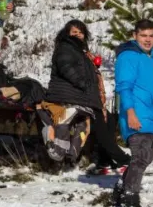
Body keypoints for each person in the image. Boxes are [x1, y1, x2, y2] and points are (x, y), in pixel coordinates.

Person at [45, 20, 130, 175]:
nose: (78, 35)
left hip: (82, 96)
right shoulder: (66, 47)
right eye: (74, 32)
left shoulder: (82, 52)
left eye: (80, 32)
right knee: (100, 123)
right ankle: (122, 159)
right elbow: (66, 67)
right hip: (70, 95)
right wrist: (83, 83)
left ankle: (104, 160)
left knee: (108, 119)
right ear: (67, 34)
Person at [114, 19, 153, 207]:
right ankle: (130, 201)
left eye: (151, 36)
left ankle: (122, 188)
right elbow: (124, 87)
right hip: (138, 115)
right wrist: (130, 113)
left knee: (146, 158)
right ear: (134, 36)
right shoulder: (128, 56)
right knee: (140, 158)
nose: (148, 40)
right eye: (143, 36)